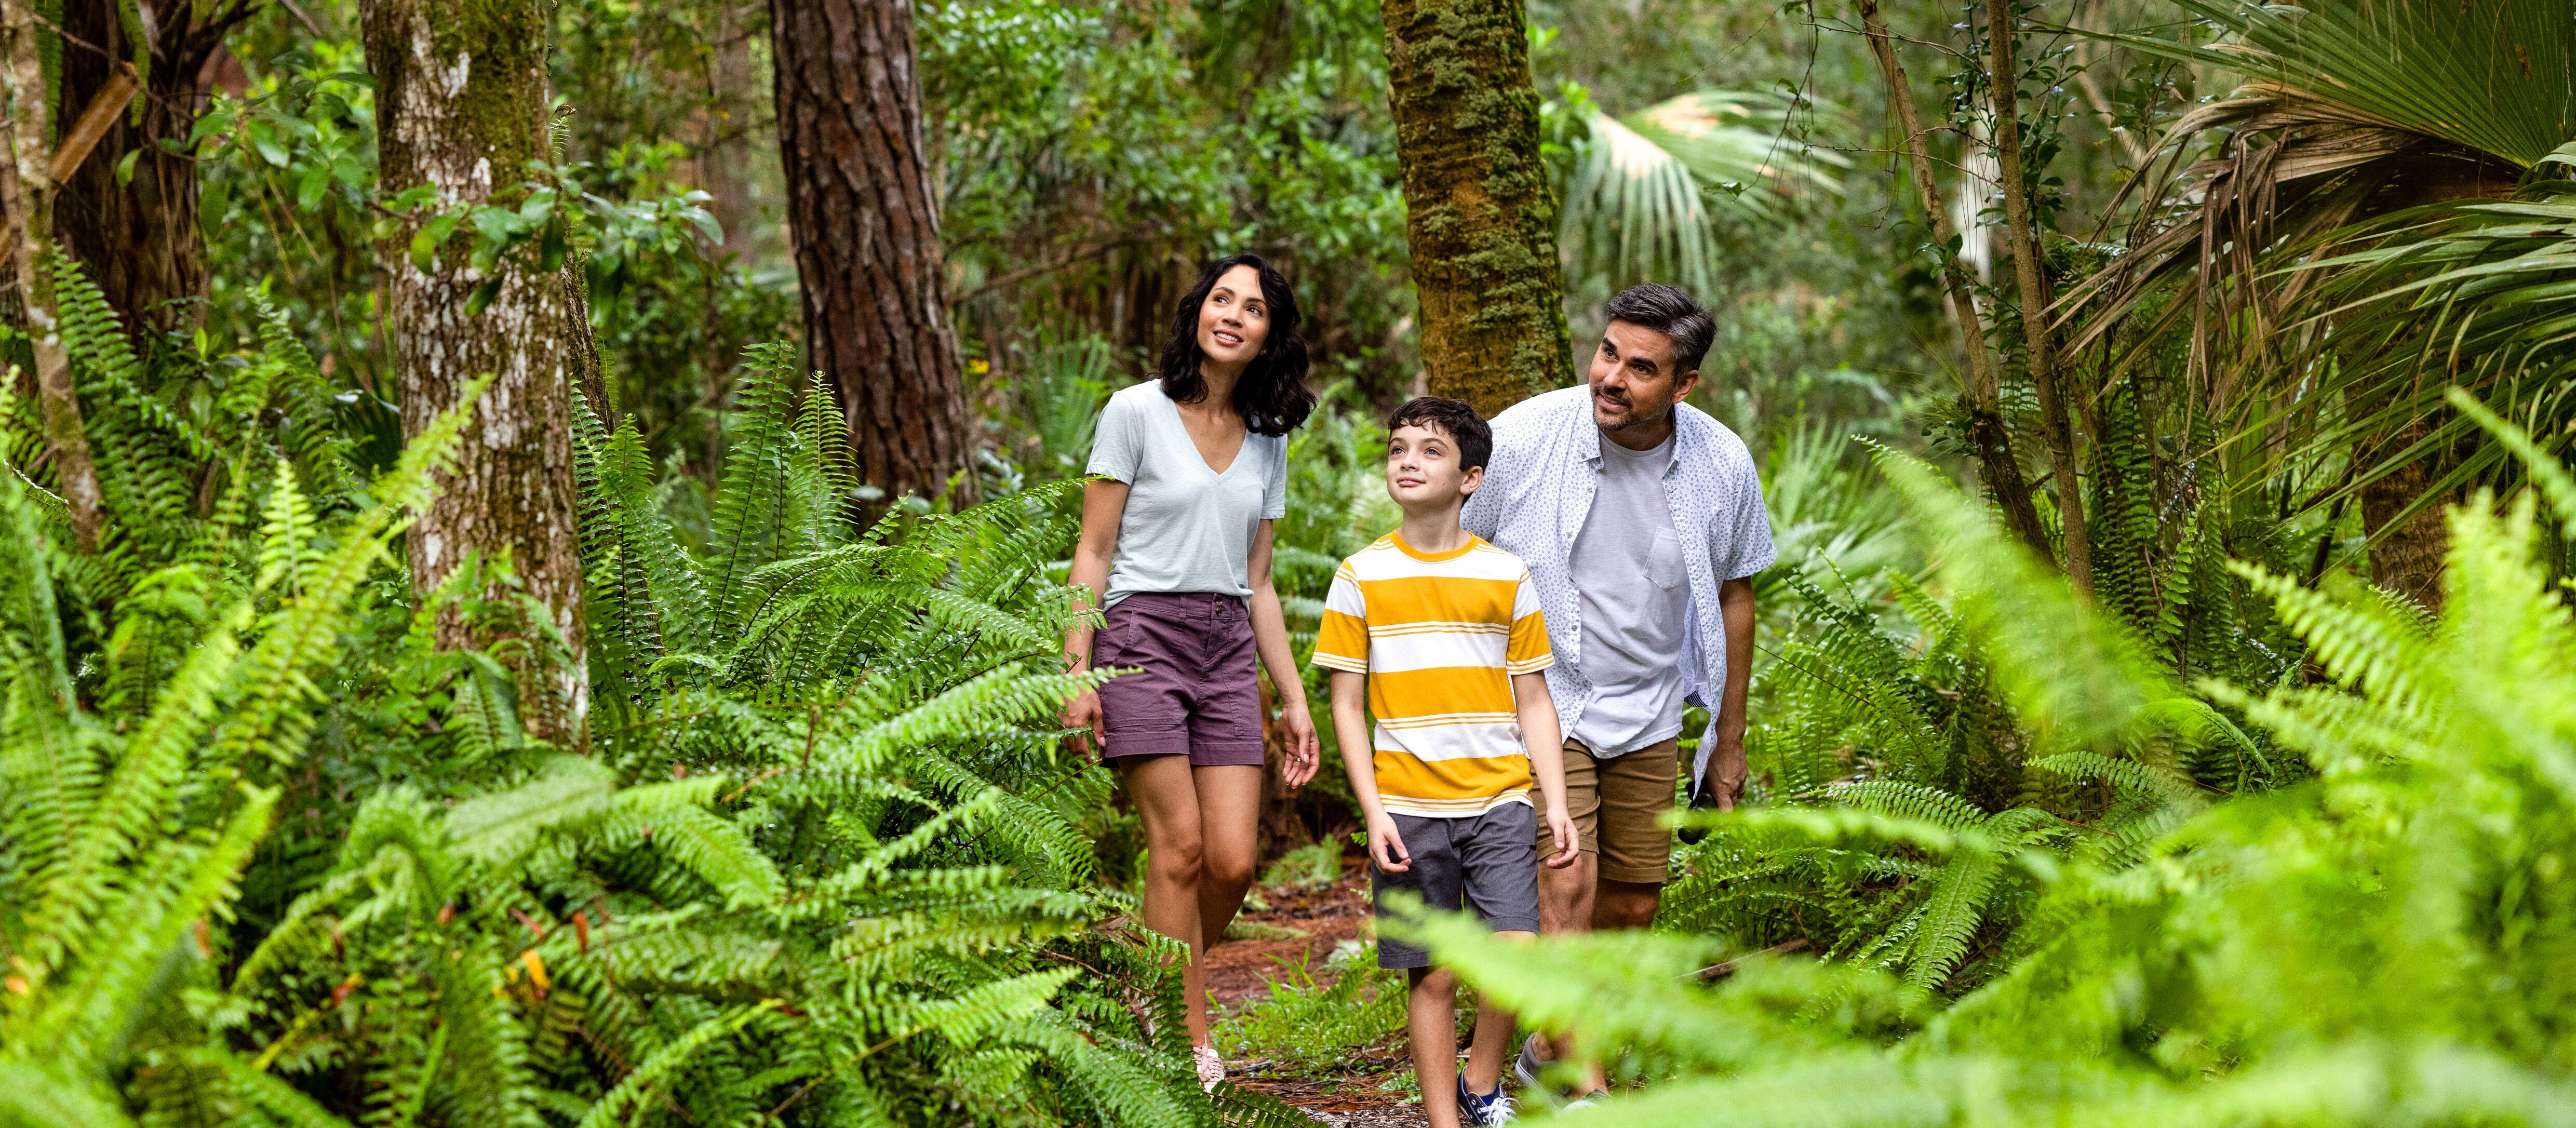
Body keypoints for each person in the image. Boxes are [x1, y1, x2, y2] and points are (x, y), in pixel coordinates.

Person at [1461, 284, 1776, 1104]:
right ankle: (1589, 1095)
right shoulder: (1525, 436)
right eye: (1608, 353)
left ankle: (1544, 1047)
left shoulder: (1721, 460)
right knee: (1565, 888)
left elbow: (1737, 592)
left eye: (1642, 368)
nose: (1612, 377)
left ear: (1684, 384)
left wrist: (1729, 739)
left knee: (1631, 908)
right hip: (1544, 696)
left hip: (1651, 707)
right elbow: (1454, 550)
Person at [1059, 253, 1324, 1091]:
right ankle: (1188, 1043)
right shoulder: (1136, 411)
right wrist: (1076, 670)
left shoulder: (1268, 439)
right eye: (1221, 299)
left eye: (1252, 309)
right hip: (1140, 633)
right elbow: (1093, 552)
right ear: (1198, 312)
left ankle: (1152, 987)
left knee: (1234, 862)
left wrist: (1294, 697)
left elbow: (1261, 580)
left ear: (1269, 336)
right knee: (1178, 848)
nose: (1233, 315)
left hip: (1225, 648)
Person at [1312, 397, 1579, 1128]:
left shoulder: (1505, 574)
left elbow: (1533, 698)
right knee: (1430, 977)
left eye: (1430, 451)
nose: (1408, 461)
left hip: (1499, 796)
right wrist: (1373, 814)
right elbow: (1346, 704)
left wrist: (1553, 801)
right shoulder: (1359, 574)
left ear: (1470, 478)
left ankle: (1483, 1079)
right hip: (1407, 807)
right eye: (1398, 448)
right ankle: (1444, 1121)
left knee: (1514, 952)